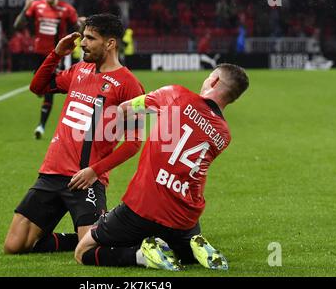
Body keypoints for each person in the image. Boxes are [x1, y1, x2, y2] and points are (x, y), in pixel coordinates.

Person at [75, 63, 249, 271]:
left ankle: (141, 256)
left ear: (214, 81)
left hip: (144, 205)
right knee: (174, 241)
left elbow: (124, 108)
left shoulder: (175, 94)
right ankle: (192, 249)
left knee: (83, 250)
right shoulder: (224, 135)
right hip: (186, 216)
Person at [4, 14, 145, 255]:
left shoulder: (131, 85)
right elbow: (37, 87)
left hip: (85, 178)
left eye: (90, 38)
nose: (83, 43)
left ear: (110, 43)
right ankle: (85, 235)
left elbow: (133, 144)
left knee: (90, 251)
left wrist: (95, 171)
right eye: (84, 37)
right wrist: (56, 53)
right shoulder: (79, 70)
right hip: (51, 172)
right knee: (14, 246)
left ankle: (109, 231)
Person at [14, 0, 80, 140]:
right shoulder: (36, 6)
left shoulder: (67, 9)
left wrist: (82, 23)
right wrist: (25, 8)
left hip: (58, 54)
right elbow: (18, 26)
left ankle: (41, 126)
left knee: (48, 89)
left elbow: (77, 27)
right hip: (39, 54)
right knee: (39, 88)